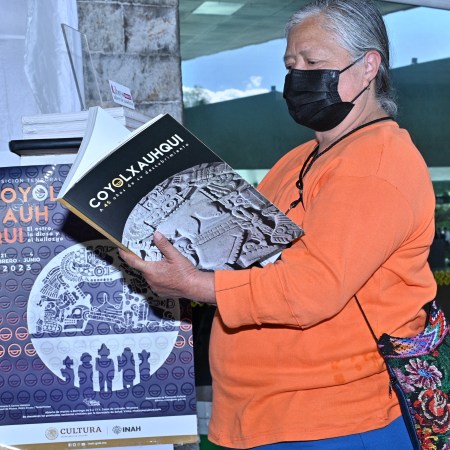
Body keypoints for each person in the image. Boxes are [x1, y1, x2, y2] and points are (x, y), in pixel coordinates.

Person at [119, 0, 436, 448]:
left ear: (368, 67)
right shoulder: (300, 158)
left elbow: (311, 289)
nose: (298, 76)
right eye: (291, 65)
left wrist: (195, 284)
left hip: (333, 422)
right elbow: (251, 256)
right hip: (266, 416)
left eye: (313, 63)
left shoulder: (376, 163)